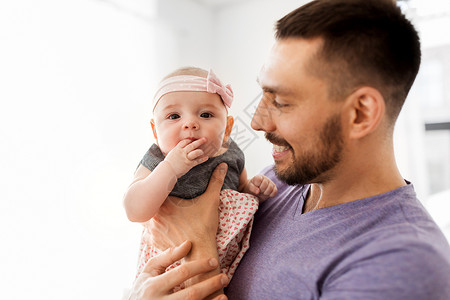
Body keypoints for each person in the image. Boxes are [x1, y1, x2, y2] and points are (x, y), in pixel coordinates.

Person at [128, 0, 450, 299]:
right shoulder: (278, 182)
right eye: (262, 96)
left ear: (360, 114)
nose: (255, 122)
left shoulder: (404, 266)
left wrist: (196, 241)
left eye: (280, 101)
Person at [123, 67, 277, 290]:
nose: (190, 124)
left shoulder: (232, 153)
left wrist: (255, 191)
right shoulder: (158, 158)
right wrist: (170, 168)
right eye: (174, 116)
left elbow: (242, 189)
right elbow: (134, 210)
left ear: (227, 128)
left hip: (229, 263)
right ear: (155, 132)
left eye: (205, 115)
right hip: (170, 265)